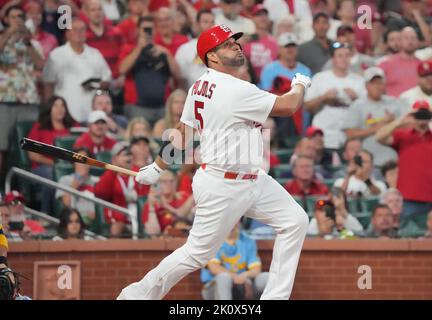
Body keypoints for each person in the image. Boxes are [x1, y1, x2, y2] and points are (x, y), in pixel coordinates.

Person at [117, 24, 311, 300]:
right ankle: (135, 295)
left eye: (236, 42)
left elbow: (183, 135)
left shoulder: (198, 86)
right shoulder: (236, 89)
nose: (236, 46)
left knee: (295, 220)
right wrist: (300, 84)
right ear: (213, 56)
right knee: (196, 254)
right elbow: (289, 106)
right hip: (223, 185)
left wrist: (157, 167)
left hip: (252, 179)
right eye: (227, 44)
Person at [43, 17, 112, 123]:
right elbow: (48, 84)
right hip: (65, 115)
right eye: (74, 30)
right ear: (67, 34)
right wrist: (48, 113)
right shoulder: (56, 55)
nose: (79, 33)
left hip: (91, 116)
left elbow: (107, 80)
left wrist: (96, 86)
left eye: (82, 30)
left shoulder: (95, 54)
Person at [0, 4, 43, 174]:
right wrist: (10, 32)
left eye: (20, 17)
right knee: (1, 147)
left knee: (30, 147)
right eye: (14, 17)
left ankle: (26, 188)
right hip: (4, 101)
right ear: (6, 20)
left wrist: (28, 42)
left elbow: (40, 64)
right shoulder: (2, 39)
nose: (18, 20)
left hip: (29, 101)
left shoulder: (32, 43)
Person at [119, 15, 182, 125]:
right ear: (138, 30)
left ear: (155, 30)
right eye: (145, 29)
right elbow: (122, 69)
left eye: (151, 28)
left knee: (164, 139)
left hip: (162, 107)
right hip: (137, 107)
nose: (148, 31)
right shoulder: (129, 48)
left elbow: (178, 75)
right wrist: (139, 48)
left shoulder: (162, 50)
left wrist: (167, 54)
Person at [375, 100, 432, 218]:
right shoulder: (403, 136)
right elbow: (379, 137)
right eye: (418, 114)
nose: (421, 117)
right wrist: (401, 120)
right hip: (410, 196)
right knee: (408, 233)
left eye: (424, 114)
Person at [304, 41, 365, 150]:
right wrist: (323, 98)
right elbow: (307, 106)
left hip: (349, 134)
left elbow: (367, 109)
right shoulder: (320, 78)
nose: (344, 59)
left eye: (347, 55)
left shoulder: (359, 80)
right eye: (340, 56)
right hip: (324, 132)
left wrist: (356, 99)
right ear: (333, 59)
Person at [343, 67, 407, 167]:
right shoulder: (358, 106)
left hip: (394, 160)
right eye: (373, 83)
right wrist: (377, 128)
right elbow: (349, 134)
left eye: (380, 83)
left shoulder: (394, 102)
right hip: (369, 162)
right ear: (366, 86)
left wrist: (393, 122)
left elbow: (408, 126)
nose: (377, 86)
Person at [201, 222, 269, 300]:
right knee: (224, 277)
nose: (230, 220)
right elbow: (213, 268)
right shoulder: (212, 239)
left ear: (239, 219)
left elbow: (256, 269)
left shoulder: (247, 240)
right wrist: (236, 277)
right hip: (214, 288)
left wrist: (245, 276)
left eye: (234, 216)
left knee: (266, 277)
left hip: (243, 285)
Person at [94, 142, 149, 237]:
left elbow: (147, 195)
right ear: (114, 159)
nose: (128, 158)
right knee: (117, 227)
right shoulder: (109, 176)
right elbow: (100, 194)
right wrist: (113, 170)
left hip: (138, 218)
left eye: (130, 154)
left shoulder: (139, 174)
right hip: (117, 220)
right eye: (124, 154)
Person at [141, 170, 194, 237]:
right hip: (162, 241)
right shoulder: (152, 204)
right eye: (164, 181)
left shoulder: (183, 198)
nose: (169, 184)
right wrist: (151, 207)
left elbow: (186, 216)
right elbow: (153, 233)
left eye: (171, 181)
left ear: (176, 183)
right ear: (158, 184)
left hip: (185, 237)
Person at [56, 147, 99, 226]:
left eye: (85, 160)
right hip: (74, 221)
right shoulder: (65, 180)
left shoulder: (97, 181)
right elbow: (66, 204)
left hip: (94, 222)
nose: (83, 163)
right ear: (74, 162)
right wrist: (77, 181)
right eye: (79, 160)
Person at [175, 9, 215, 88]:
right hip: (193, 92)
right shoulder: (185, 49)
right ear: (197, 25)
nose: (210, 25)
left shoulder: (222, 47)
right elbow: (180, 77)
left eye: (212, 22)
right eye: (206, 22)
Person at [378, 26, 420, 97]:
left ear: (418, 42)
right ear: (400, 41)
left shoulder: (422, 66)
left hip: (417, 105)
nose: (410, 41)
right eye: (406, 38)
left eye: (413, 38)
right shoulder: (386, 64)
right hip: (394, 105)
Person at [243, 5, 278, 83]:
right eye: (258, 15)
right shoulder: (246, 40)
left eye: (265, 15)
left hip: (272, 83)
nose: (263, 17)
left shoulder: (275, 41)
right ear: (252, 18)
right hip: (251, 83)